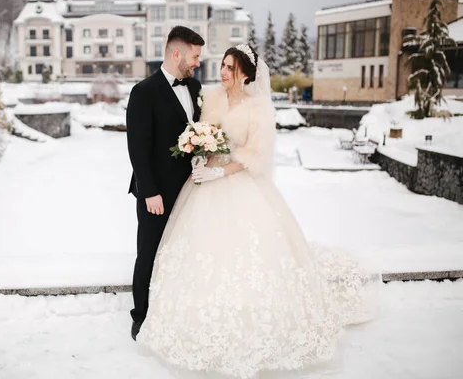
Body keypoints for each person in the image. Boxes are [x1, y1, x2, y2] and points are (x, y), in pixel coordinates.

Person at [136, 44, 380, 378]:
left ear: (246, 74)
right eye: (222, 65)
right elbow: (202, 136)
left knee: (249, 255)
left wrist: (220, 171)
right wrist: (199, 158)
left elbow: (256, 157)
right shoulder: (210, 97)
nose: (223, 72)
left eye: (230, 68)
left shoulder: (258, 109)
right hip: (203, 186)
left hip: (237, 183)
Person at [126, 26, 205, 341]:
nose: (197, 62)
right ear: (177, 53)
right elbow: (137, 148)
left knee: (182, 252)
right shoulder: (143, 91)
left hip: (190, 191)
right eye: (195, 56)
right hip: (155, 194)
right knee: (149, 253)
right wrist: (150, 192)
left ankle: (173, 310)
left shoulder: (196, 86)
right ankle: (141, 317)